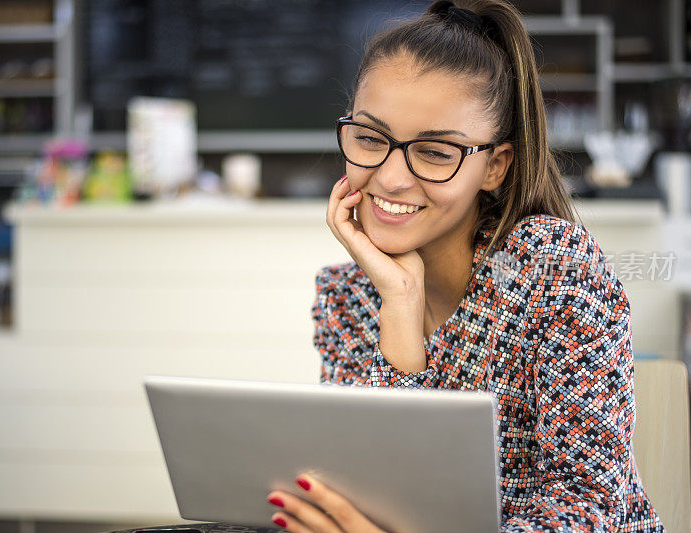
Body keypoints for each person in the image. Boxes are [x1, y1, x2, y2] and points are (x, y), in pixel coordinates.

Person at [265, 0, 665, 531]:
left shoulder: (555, 271)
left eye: (434, 152)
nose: (389, 178)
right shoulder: (347, 295)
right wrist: (400, 306)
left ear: (494, 166)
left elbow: (589, 509)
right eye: (368, 139)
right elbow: (376, 492)